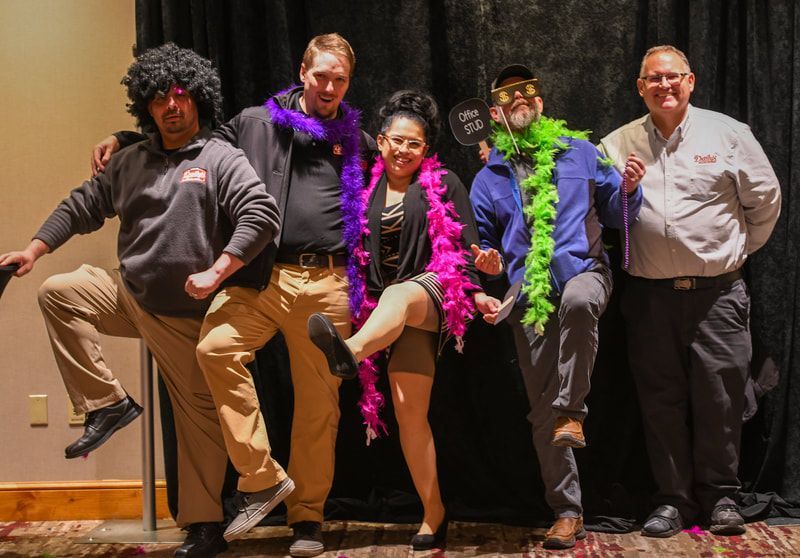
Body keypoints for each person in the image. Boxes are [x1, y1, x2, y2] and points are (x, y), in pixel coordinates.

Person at [92, 33, 374, 557]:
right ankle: (263, 475)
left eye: (340, 79)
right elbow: (186, 140)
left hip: (328, 283)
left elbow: (398, 176)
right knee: (214, 349)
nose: (330, 87)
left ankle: (307, 520)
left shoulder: (358, 136)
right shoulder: (253, 123)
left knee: (318, 405)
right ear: (303, 72)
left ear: (348, 83)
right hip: (261, 276)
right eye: (322, 76)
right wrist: (126, 138)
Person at [0, 43, 282, 557]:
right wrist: (34, 250)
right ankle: (108, 404)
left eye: (178, 95)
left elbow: (261, 215)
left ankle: (204, 526)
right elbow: (81, 205)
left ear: (196, 98)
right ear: (145, 107)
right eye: (157, 98)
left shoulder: (220, 157)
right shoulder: (129, 160)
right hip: (128, 292)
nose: (169, 106)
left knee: (198, 424)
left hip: (186, 313)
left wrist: (219, 269)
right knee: (58, 292)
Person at [598, 45, 781, 538]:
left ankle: (722, 497)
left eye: (673, 77)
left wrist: (734, 251)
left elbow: (765, 203)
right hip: (650, 298)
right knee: (661, 403)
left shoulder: (728, 135)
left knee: (720, 399)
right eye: (654, 79)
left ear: (691, 81)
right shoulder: (616, 145)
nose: (665, 86)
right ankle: (671, 501)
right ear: (640, 87)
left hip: (718, 296)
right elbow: (602, 216)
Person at [306, 90, 501, 550]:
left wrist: (481, 282)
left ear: (425, 150)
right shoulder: (363, 185)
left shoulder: (444, 182)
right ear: (380, 140)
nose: (404, 150)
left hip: (431, 291)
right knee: (409, 413)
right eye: (397, 140)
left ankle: (348, 351)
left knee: (401, 292)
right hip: (380, 312)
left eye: (414, 144)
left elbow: (467, 249)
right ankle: (434, 514)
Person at [470, 64, 644, 550]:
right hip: (528, 298)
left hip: (585, 273)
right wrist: (487, 263)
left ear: (541, 103)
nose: (519, 102)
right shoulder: (489, 176)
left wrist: (628, 189)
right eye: (508, 97)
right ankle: (567, 511)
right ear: (495, 111)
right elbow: (490, 251)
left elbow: (616, 213)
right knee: (541, 409)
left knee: (579, 298)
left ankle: (574, 409)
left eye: (527, 94)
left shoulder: (581, 152)